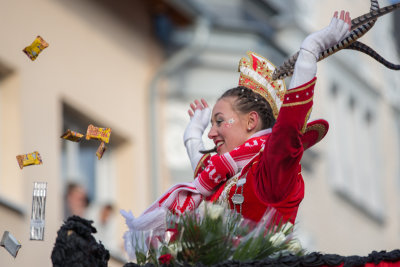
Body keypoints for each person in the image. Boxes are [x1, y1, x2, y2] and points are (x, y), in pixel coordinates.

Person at [121, 10, 351, 256]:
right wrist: (191, 138)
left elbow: (287, 131)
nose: (211, 133)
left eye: (219, 121)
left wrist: (309, 51)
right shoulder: (221, 179)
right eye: (211, 124)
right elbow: (205, 174)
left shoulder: (270, 169)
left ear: (251, 121)